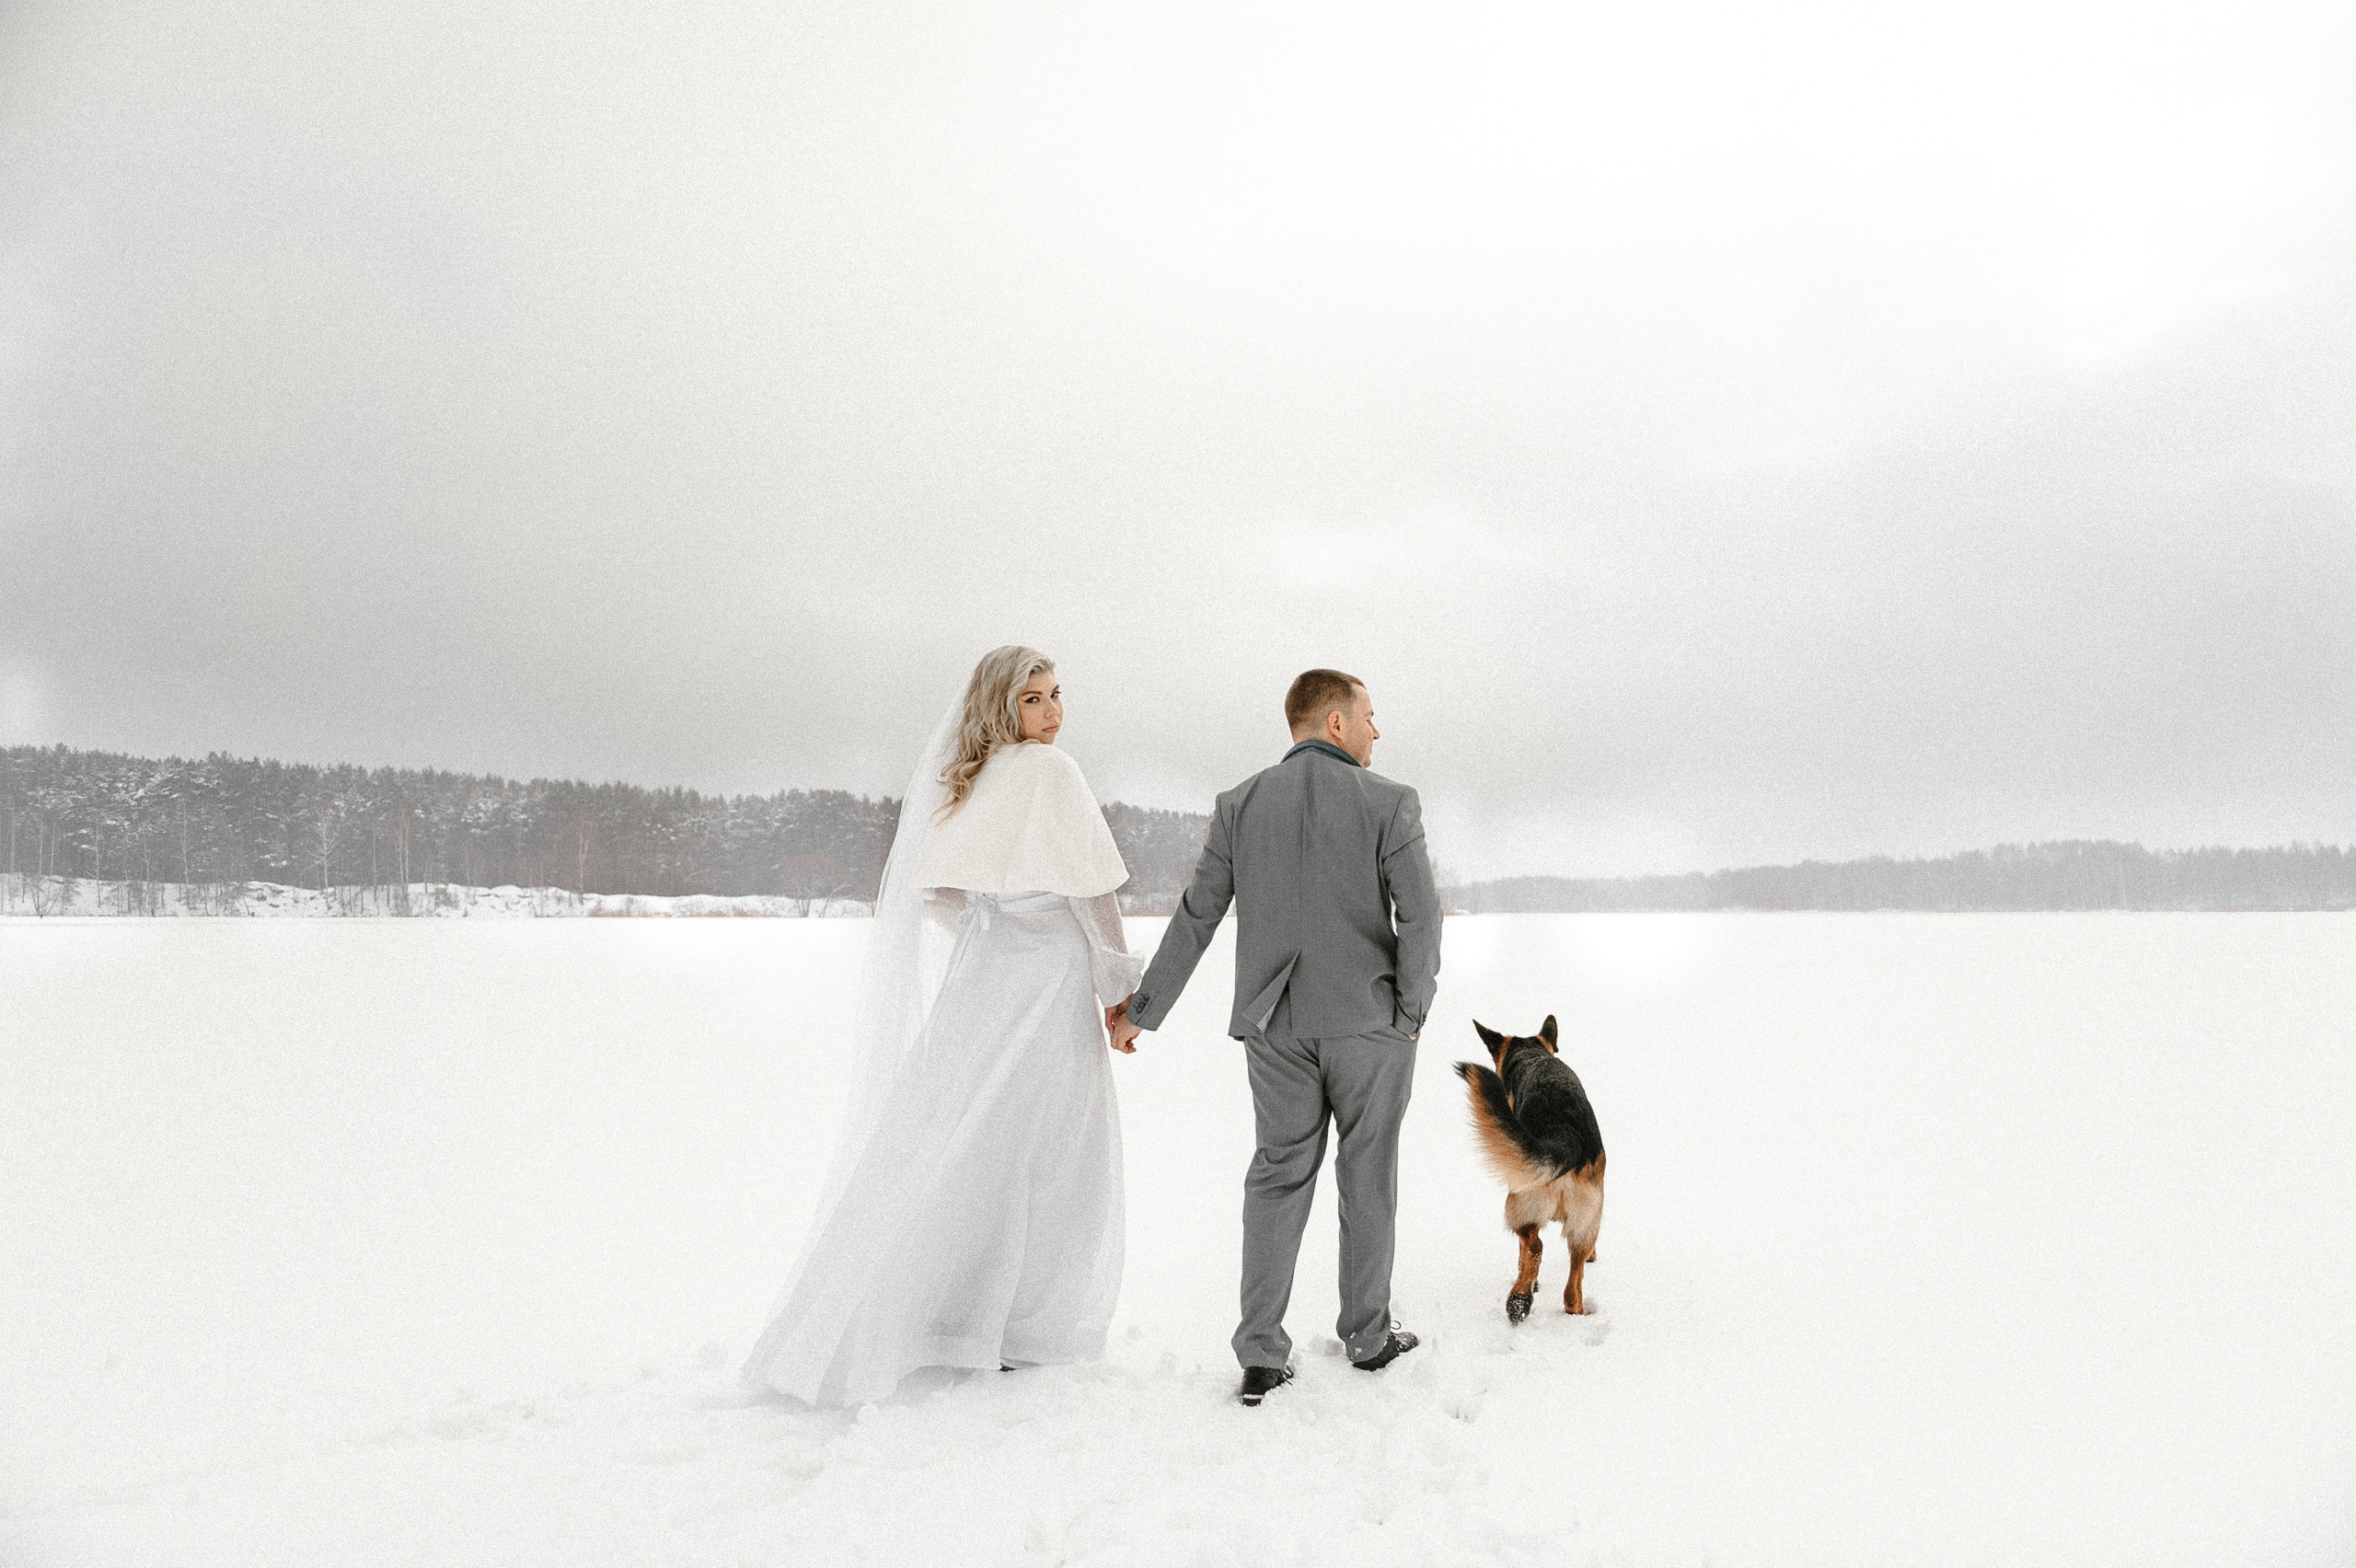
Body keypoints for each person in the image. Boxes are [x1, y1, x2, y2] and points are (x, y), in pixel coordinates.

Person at [742, 646, 1146, 1408]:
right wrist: (1119, 993)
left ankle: (934, 1311)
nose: (1054, 712)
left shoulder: (965, 780)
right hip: (1052, 975)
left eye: (1058, 695)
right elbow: (1095, 896)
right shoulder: (1053, 774)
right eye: (1034, 699)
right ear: (1002, 705)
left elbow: (936, 895)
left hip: (986, 979)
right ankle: (1024, 1325)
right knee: (1054, 1145)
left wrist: (998, 931)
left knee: (956, 1135)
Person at [1111, 668, 1442, 1406]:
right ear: (1333, 721)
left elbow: (1198, 914)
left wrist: (1144, 1009)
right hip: (1370, 1024)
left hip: (1276, 1024)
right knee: (1368, 1174)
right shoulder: (1390, 801)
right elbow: (1421, 917)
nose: (1375, 731)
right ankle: (1367, 1335)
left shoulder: (1240, 804)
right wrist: (1411, 1011)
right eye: (1368, 716)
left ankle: (1261, 1351)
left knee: (1277, 1174)